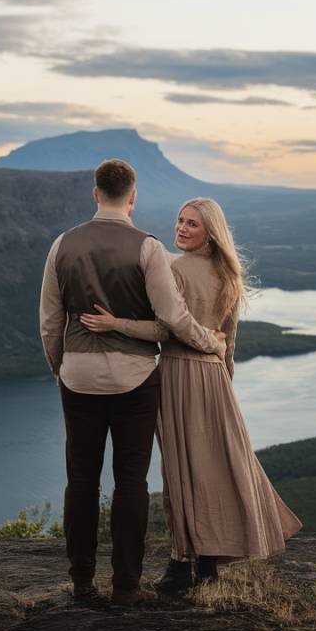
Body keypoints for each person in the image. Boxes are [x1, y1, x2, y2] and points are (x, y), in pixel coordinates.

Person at [80, 197, 301, 592]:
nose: (181, 229)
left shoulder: (175, 268)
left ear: (210, 234)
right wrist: (225, 377)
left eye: (192, 224)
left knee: (181, 470)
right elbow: (228, 340)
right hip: (215, 378)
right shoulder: (229, 273)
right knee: (217, 466)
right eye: (180, 221)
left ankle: (182, 564)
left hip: (180, 373)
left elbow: (165, 330)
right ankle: (210, 564)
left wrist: (116, 324)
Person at [39, 161, 226, 607]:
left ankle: (82, 581)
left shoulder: (62, 244)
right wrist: (211, 344)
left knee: (80, 481)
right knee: (131, 483)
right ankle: (125, 585)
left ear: (95, 193)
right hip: (136, 379)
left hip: (78, 378)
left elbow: (49, 322)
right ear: (133, 197)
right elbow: (172, 319)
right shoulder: (148, 249)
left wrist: (61, 369)